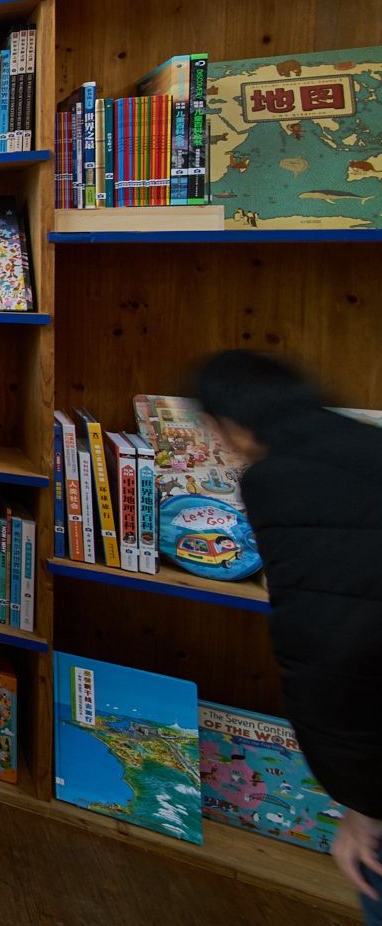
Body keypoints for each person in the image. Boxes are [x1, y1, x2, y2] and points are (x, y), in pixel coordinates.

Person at [197, 350, 382, 922]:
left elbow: (324, 647)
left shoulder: (281, 479)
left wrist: (363, 804)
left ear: (225, 425)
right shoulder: (367, 444)